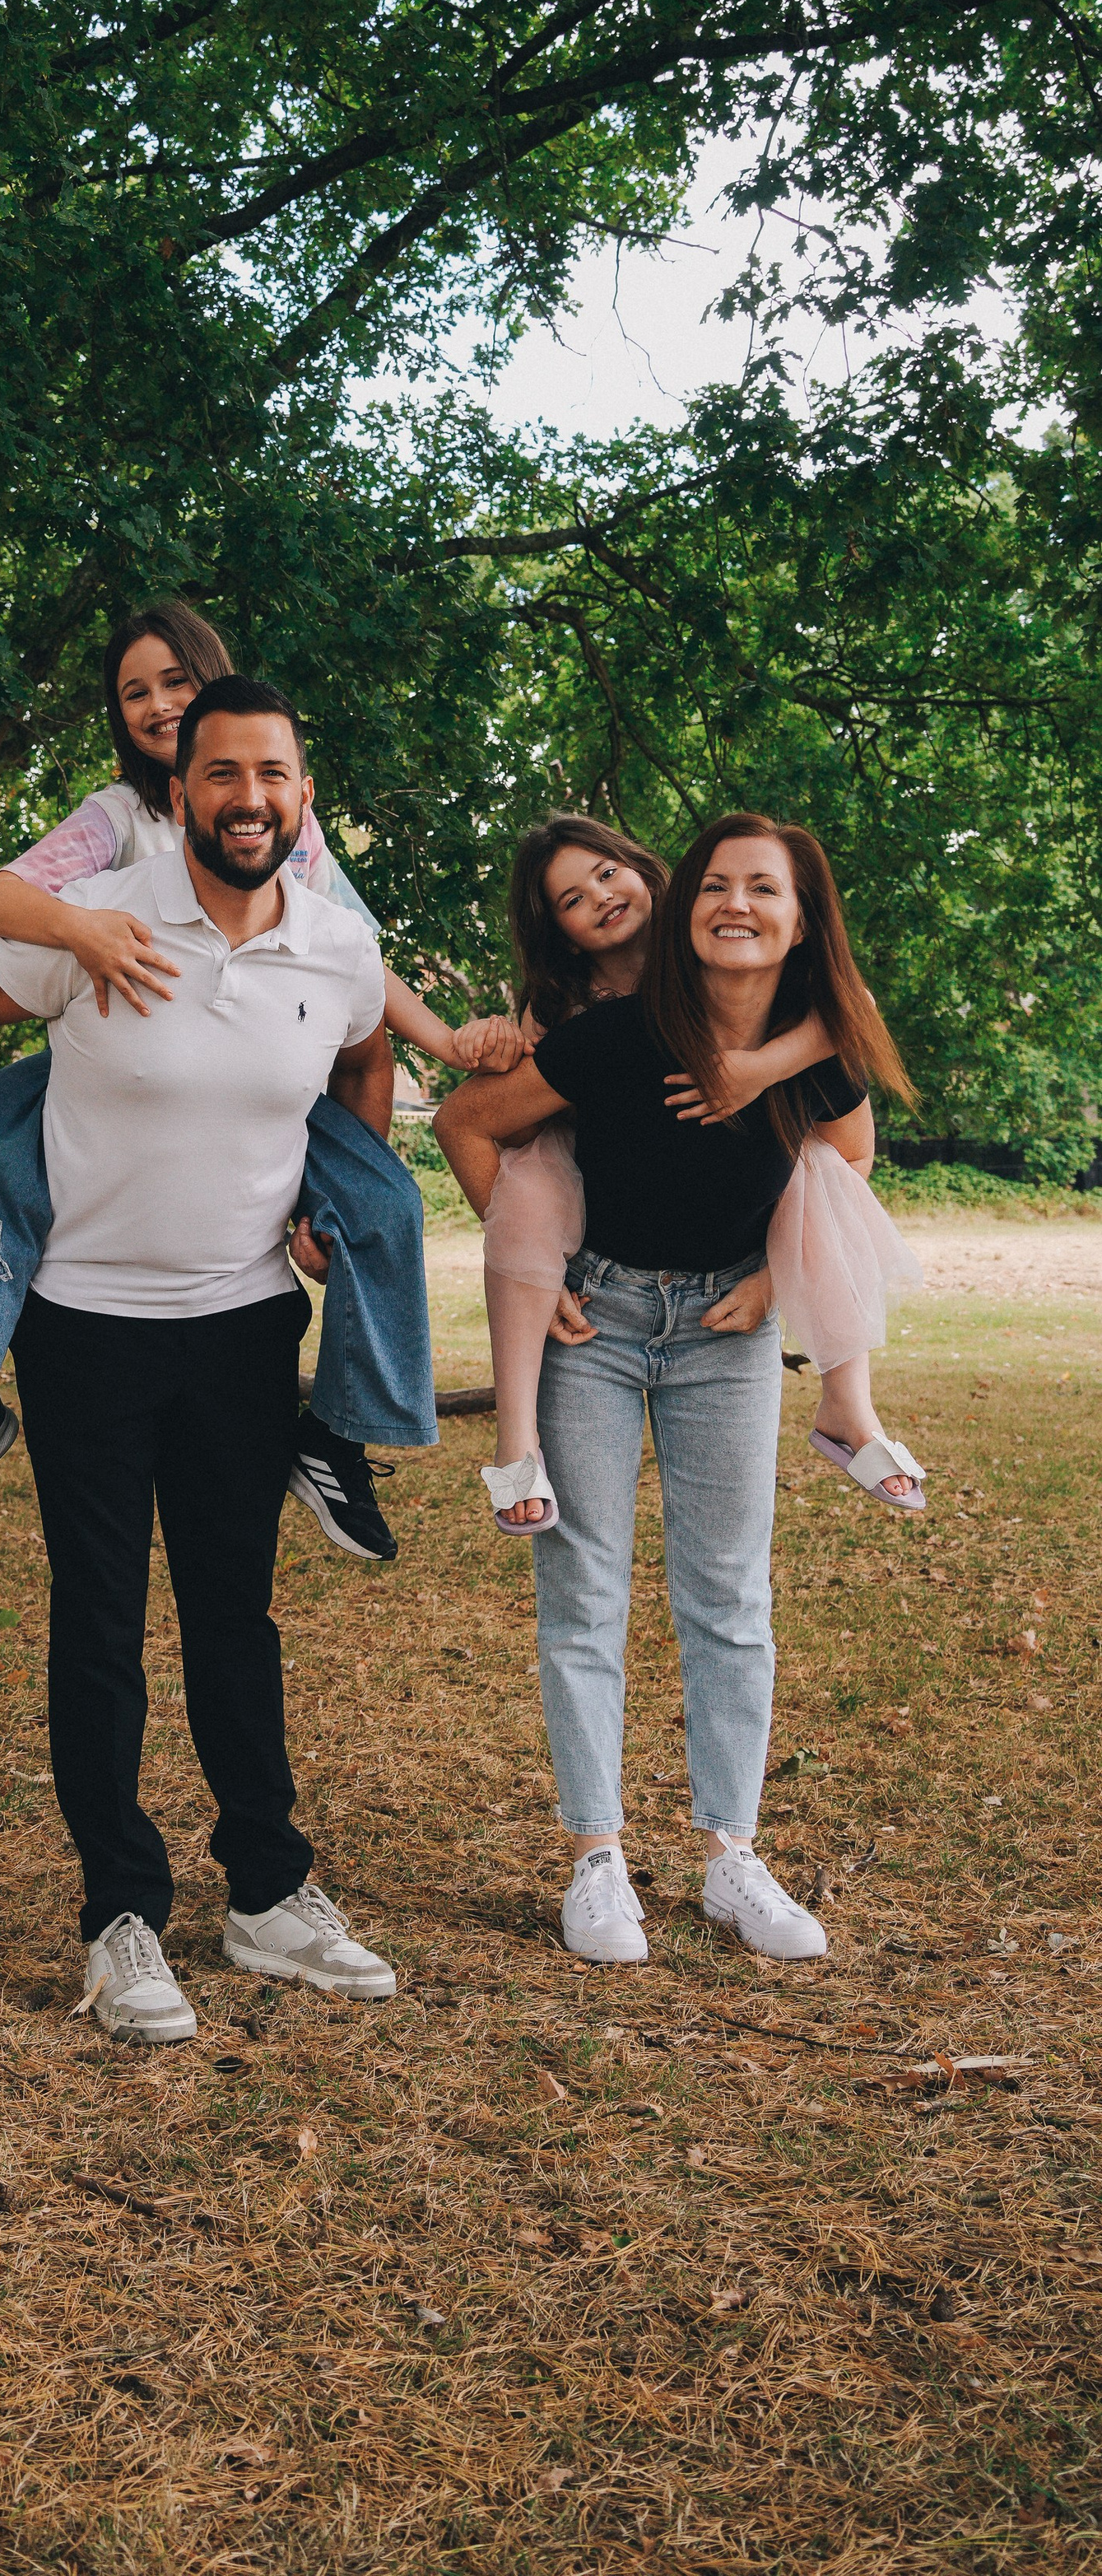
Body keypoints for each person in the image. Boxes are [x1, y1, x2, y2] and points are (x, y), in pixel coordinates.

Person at [0, 676, 401, 2041]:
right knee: (100, 1624)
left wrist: (338, 1191)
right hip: (82, 1328)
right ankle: (121, 1917)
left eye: (274, 776)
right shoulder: (99, 920)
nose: (249, 798)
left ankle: (269, 1895)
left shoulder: (335, 951)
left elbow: (367, 1061)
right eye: (223, 774)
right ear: (180, 787)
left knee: (234, 1619)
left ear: (301, 799)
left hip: (249, 1329)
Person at [0, 600, 519, 1552]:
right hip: (108, 1045)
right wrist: (81, 927)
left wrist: (444, 1042)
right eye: (133, 693)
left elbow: (350, 952)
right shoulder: (115, 820)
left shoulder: (281, 823)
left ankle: (337, 1436)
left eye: (175, 682)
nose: (156, 704)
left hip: (265, 1068)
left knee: (391, 1209)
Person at [435, 813, 915, 1968]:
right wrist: (530, 1267)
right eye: (720, 886)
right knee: (584, 1589)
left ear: (800, 921)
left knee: (728, 1596)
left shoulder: (822, 1045)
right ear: (687, 900)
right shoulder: (608, 1036)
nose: (738, 905)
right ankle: (598, 1860)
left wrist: (769, 1276)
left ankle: (732, 1856)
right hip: (598, 1323)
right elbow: (468, 1119)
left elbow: (845, 1162)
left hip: (725, 1336)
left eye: (766, 890)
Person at [453, 815, 923, 1534]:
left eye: (608, 873)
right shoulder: (569, 1012)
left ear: (650, 876)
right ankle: (516, 1436)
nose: (601, 898)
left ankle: (848, 1401)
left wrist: (753, 1073)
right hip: (586, 1223)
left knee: (822, 1169)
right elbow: (477, 1119)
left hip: (722, 1296)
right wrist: (534, 1269)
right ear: (560, 933)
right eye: (573, 900)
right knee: (529, 1192)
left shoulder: (778, 998)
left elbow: (850, 1024)